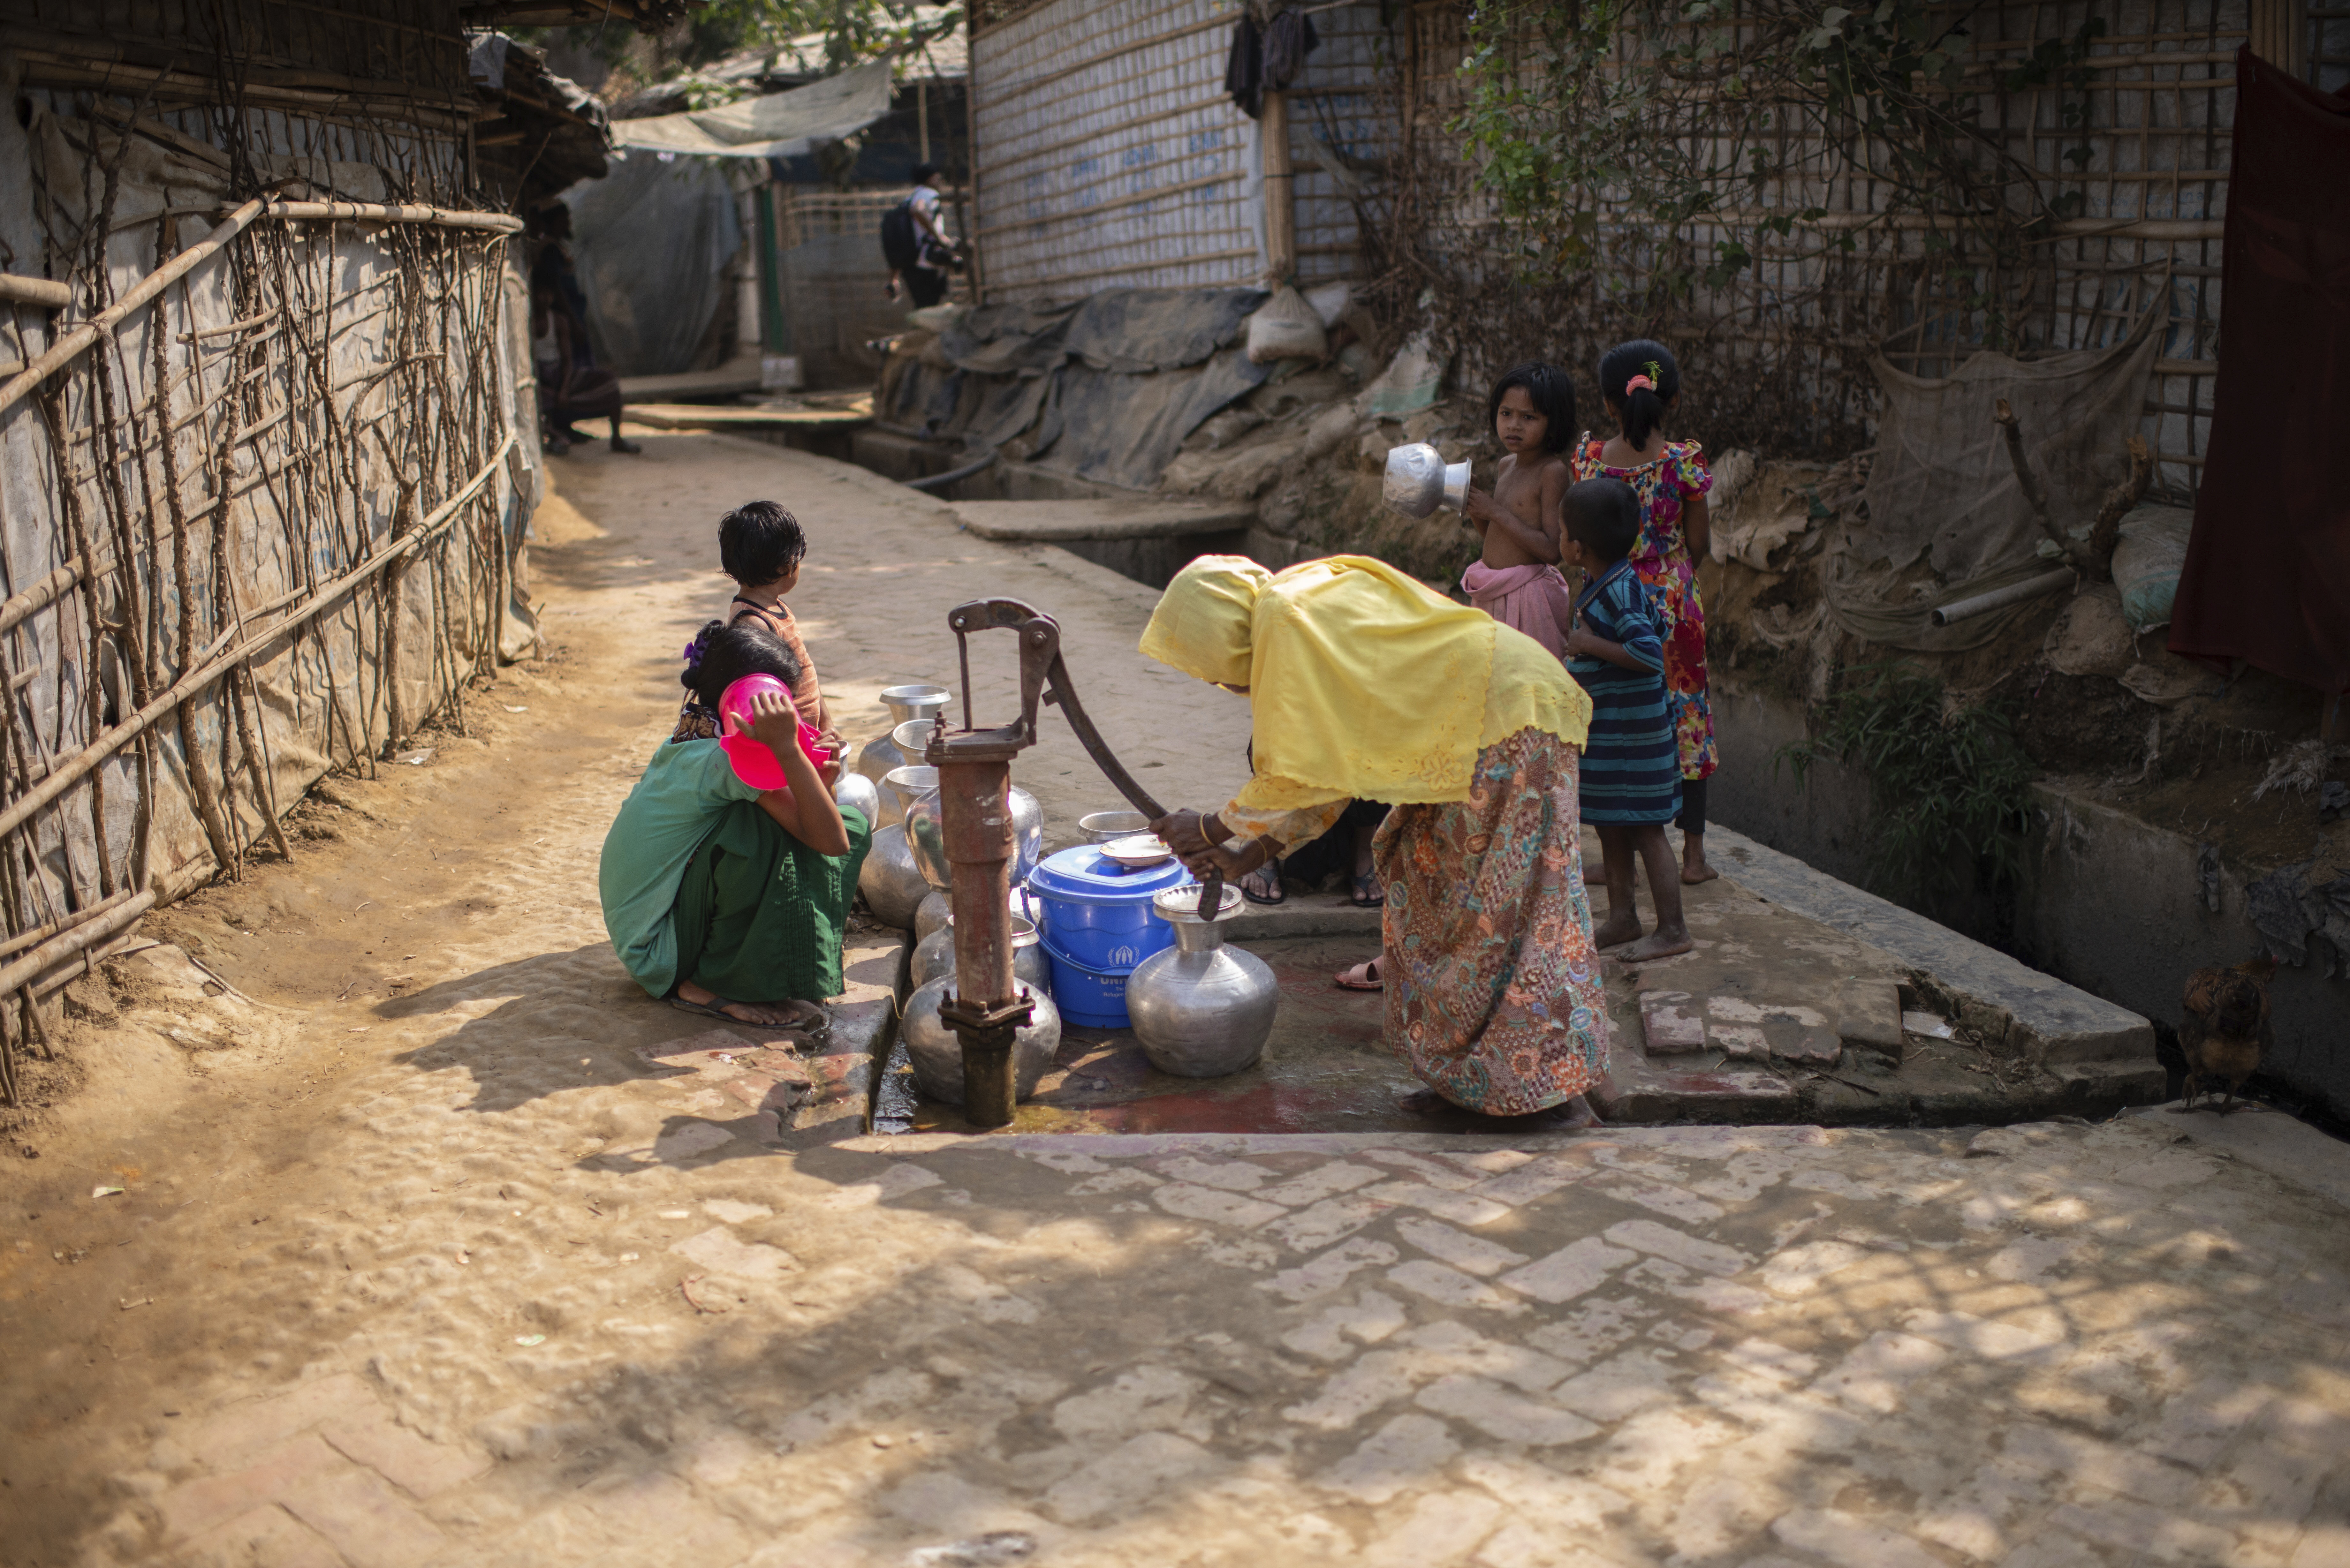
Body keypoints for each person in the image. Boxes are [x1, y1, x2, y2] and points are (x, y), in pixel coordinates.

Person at [1141, 555, 1608, 1124]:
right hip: (1463, 735)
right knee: (1430, 891)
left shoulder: (1287, 617)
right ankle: (1468, 1082)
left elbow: (1298, 770)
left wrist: (1213, 827)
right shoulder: (1298, 610)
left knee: (1504, 916)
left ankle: (1545, 1094)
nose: (1219, 680)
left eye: (1206, 663)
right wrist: (1246, 855)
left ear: (1218, 632)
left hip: (1508, 724)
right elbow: (1330, 775)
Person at [600, 622, 869, 1031]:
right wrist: (788, 748)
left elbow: (823, 826)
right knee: (758, 833)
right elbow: (832, 842)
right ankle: (710, 984)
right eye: (783, 702)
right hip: (660, 952)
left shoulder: (695, 736)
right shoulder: (723, 762)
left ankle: (764, 965)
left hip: (649, 937)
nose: (790, 713)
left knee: (833, 820)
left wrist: (820, 783)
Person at [1571, 340, 1717, 884]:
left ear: (1610, 405)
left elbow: (1580, 539)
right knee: (1688, 717)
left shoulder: (1588, 463)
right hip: (1675, 604)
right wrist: (1670, 572)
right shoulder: (1685, 463)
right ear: (1673, 401)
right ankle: (1694, 855)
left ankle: (1619, 856)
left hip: (1608, 602)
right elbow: (1698, 545)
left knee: (1617, 721)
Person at [1560, 478, 1691, 961]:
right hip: (1613, 736)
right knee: (1612, 825)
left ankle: (1673, 930)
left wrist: (1588, 645)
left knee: (1646, 830)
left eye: (1561, 530)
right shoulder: (1604, 582)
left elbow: (1647, 651)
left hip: (1635, 742)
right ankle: (1623, 918)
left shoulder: (1620, 591)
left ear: (1577, 546)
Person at [680, 501, 838, 745]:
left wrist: (826, 723)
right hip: (786, 742)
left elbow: (806, 668)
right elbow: (760, 699)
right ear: (788, 566)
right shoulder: (754, 624)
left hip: (805, 735)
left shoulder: (775, 606)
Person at [1459, 362, 1576, 659]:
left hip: (1528, 598)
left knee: (1528, 681)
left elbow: (1552, 551)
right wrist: (1474, 506)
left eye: (1529, 417)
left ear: (1554, 422)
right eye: (1506, 414)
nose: (1514, 425)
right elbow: (1495, 536)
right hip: (1494, 591)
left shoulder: (1552, 472)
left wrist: (1496, 512)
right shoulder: (1506, 465)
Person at [528, 203, 640, 457]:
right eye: (563, 219)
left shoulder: (556, 248)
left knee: (594, 379)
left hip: (568, 330)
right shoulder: (549, 253)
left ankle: (574, 429)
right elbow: (557, 286)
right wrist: (570, 316)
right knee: (569, 380)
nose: (568, 223)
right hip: (564, 333)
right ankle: (561, 429)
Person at [884, 163, 958, 309]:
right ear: (931, 180)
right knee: (931, 307)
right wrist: (939, 238)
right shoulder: (928, 194)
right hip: (927, 262)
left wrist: (894, 277)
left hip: (911, 264)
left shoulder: (909, 199)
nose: (942, 182)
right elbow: (918, 210)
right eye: (939, 179)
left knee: (923, 306)